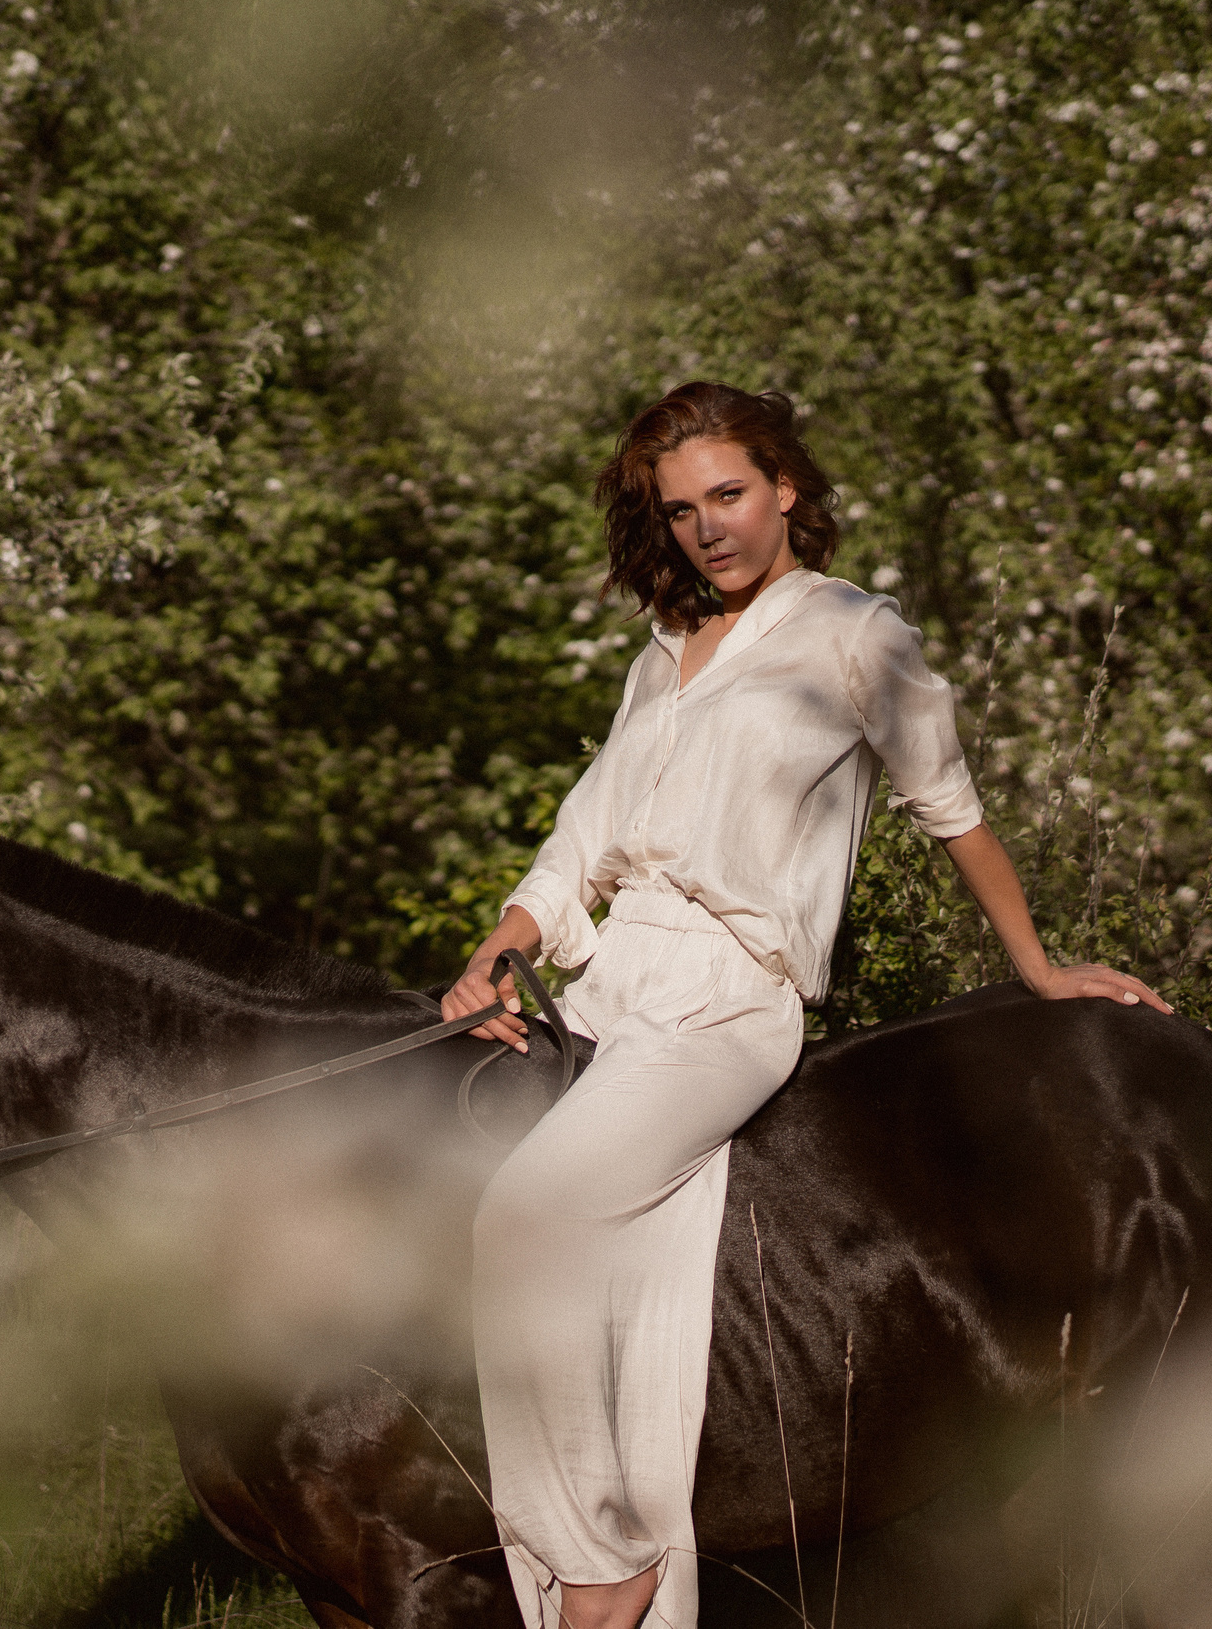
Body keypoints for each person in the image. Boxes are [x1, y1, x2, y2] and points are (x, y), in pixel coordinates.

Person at [444, 382, 1168, 1629]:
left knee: (526, 1216)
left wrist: (1040, 969)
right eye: (678, 511)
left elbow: (952, 808)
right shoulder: (659, 662)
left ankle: (601, 1563)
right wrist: (501, 946)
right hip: (610, 982)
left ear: (786, 489)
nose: (705, 528)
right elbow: (583, 846)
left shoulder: (853, 634)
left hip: (729, 1006)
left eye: (727, 495)